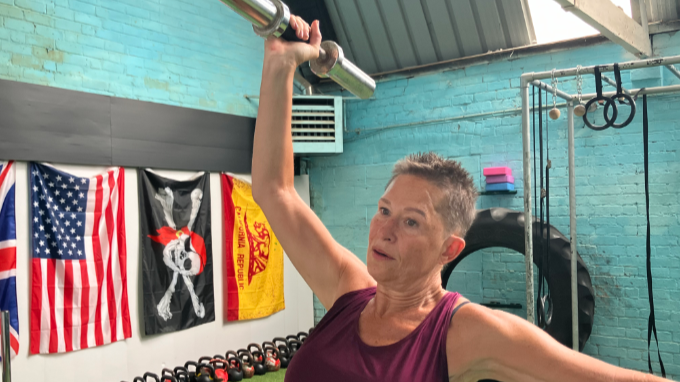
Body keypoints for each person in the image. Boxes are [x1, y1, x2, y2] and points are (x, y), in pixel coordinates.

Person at [250, 15, 672, 382]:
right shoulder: (347, 290)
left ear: (450, 248)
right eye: (384, 210)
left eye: (411, 221)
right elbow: (275, 191)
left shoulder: (463, 332)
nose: (386, 230)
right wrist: (279, 65)